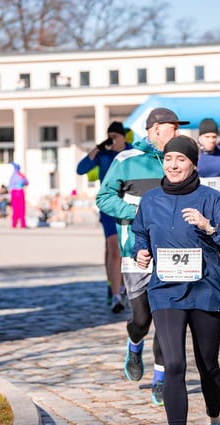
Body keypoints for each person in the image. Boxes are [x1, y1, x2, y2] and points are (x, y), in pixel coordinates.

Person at [131, 135, 220, 425]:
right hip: (165, 290)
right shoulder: (151, 200)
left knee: (207, 365)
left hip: (205, 291)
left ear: (194, 163)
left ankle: (213, 423)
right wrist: (141, 250)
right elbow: (140, 232)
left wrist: (209, 227)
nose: (173, 165)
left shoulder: (213, 199)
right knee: (174, 365)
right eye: (168, 159)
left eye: (180, 159)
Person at [96, 107, 189, 406]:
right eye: (175, 128)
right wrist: (137, 212)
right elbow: (104, 197)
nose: (179, 133)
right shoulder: (126, 160)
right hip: (135, 253)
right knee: (142, 319)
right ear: (159, 129)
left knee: (166, 321)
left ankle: (160, 380)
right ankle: (134, 344)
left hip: (173, 255)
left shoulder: (180, 162)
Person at [77, 121, 133, 313]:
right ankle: (116, 294)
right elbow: (81, 169)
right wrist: (98, 148)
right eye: (110, 136)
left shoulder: (131, 152)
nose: (113, 140)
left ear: (123, 137)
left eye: (115, 136)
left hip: (128, 205)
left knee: (126, 249)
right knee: (113, 248)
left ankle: (123, 285)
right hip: (109, 207)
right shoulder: (104, 154)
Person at [196, 118, 220, 324]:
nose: (211, 140)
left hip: (216, 212)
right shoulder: (194, 153)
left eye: (214, 137)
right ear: (200, 136)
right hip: (195, 210)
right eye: (207, 136)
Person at [8, 162, 29, 228]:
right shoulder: (21, 175)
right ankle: (22, 224)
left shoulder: (12, 176)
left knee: (14, 208)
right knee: (21, 208)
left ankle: (14, 224)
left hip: (13, 192)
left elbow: (10, 185)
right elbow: (26, 182)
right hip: (19, 192)